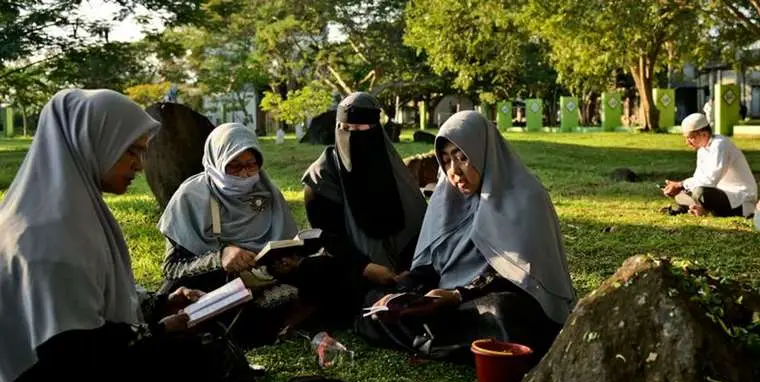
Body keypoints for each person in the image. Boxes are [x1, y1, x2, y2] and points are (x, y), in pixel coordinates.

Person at [0, 90, 261, 382]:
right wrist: (155, 330)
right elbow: (72, 353)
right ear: (91, 143)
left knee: (202, 349)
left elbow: (92, 305)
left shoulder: (68, 210)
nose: (140, 165)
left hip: (71, 360)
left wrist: (157, 304)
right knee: (199, 360)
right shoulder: (48, 236)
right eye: (131, 151)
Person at [357, 111, 576, 362]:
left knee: (502, 314)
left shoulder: (527, 198)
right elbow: (430, 266)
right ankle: (439, 341)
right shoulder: (445, 200)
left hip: (491, 298)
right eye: (446, 160)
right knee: (374, 301)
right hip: (446, 302)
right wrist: (405, 291)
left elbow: (522, 275)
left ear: (484, 153)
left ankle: (429, 340)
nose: (454, 172)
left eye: (462, 158)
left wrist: (459, 295)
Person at [158, 122, 304, 345]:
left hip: (264, 282)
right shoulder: (191, 198)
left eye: (251, 165)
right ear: (216, 162)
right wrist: (220, 257)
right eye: (234, 167)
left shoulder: (266, 192)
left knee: (321, 270)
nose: (245, 174)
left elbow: (286, 243)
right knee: (182, 296)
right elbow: (172, 268)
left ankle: (268, 322)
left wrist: (286, 262)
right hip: (217, 285)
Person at [301, 92, 427, 315]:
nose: (351, 136)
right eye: (344, 128)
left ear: (375, 130)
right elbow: (328, 236)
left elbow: (417, 222)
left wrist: (409, 267)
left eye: (361, 129)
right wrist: (365, 267)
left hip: (405, 265)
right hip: (351, 267)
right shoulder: (322, 177)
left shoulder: (392, 168)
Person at [661, 113, 757, 217]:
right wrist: (680, 189)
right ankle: (690, 208)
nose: (687, 142)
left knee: (700, 192)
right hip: (721, 194)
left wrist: (681, 184)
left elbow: (710, 181)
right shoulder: (702, 149)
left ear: (704, 134)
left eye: (690, 138)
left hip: (739, 198)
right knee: (690, 191)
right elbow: (698, 178)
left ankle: (704, 210)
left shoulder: (721, 145)